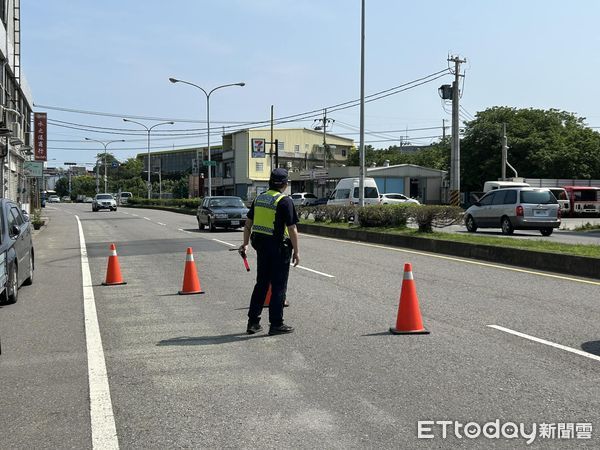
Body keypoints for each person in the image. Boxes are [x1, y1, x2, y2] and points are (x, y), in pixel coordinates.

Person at [239, 168, 300, 335]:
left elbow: (248, 224)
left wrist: (245, 244)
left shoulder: (259, 199)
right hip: (280, 249)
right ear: (285, 184)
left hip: (262, 248)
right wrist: (297, 251)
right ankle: (276, 324)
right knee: (279, 287)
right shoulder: (284, 201)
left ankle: (253, 322)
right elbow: (292, 228)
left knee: (262, 285)